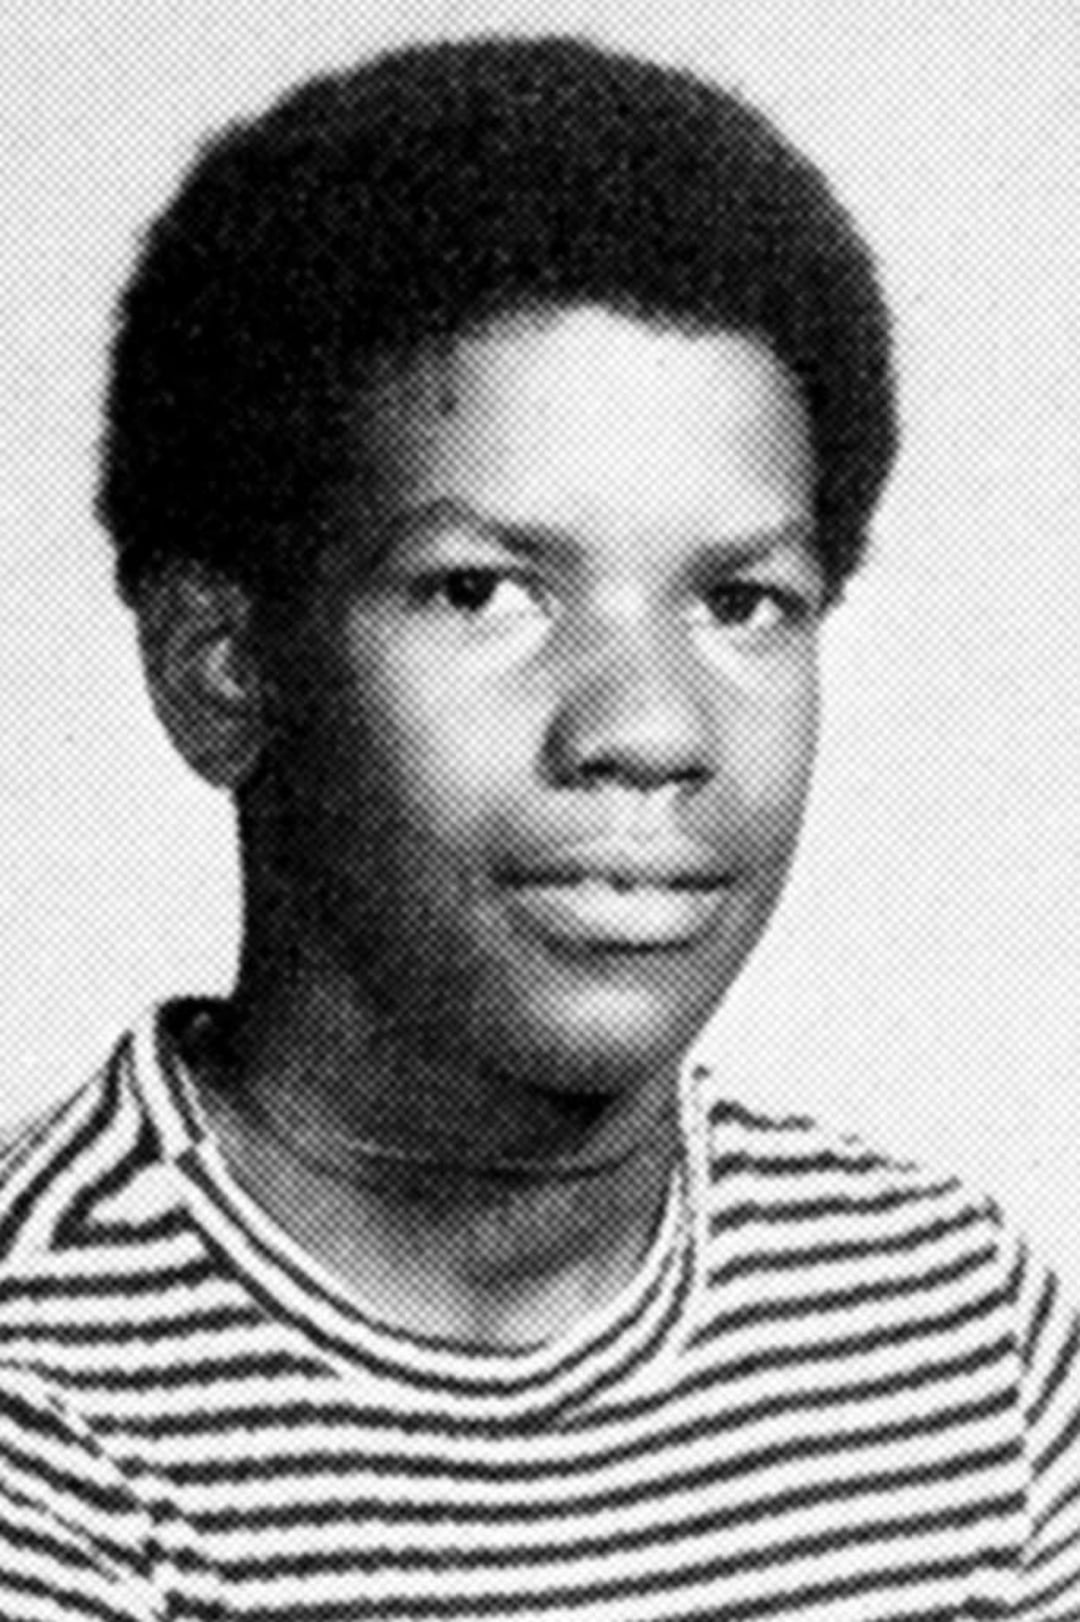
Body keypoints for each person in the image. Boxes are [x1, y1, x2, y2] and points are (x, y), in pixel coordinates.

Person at [0, 32, 1076, 1622]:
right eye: (483, 592)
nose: (646, 725)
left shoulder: (952, 1329)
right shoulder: (48, 1404)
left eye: (742, 600)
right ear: (222, 666)